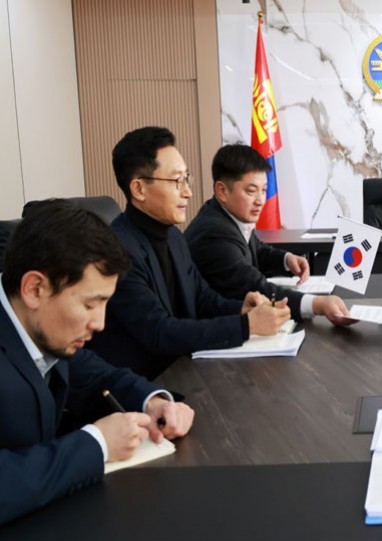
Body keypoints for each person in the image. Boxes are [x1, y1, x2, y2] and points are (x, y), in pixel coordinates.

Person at [0, 200, 194, 525]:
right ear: (35, 288)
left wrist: (154, 402)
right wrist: (97, 444)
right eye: (90, 305)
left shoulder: (44, 326)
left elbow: (95, 375)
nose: (100, 323)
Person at [89, 126, 292, 379]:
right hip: (146, 383)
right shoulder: (116, 250)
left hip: (183, 368)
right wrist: (246, 325)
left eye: (187, 179)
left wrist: (242, 309)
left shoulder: (173, 236)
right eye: (177, 181)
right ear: (139, 189)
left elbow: (202, 298)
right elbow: (159, 332)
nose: (188, 192)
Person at [184, 144, 351, 325]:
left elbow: (256, 250)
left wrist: (286, 259)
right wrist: (317, 305)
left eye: (263, 190)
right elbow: (254, 287)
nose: (260, 200)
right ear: (222, 191)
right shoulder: (213, 233)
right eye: (251, 191)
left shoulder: (226, 216)